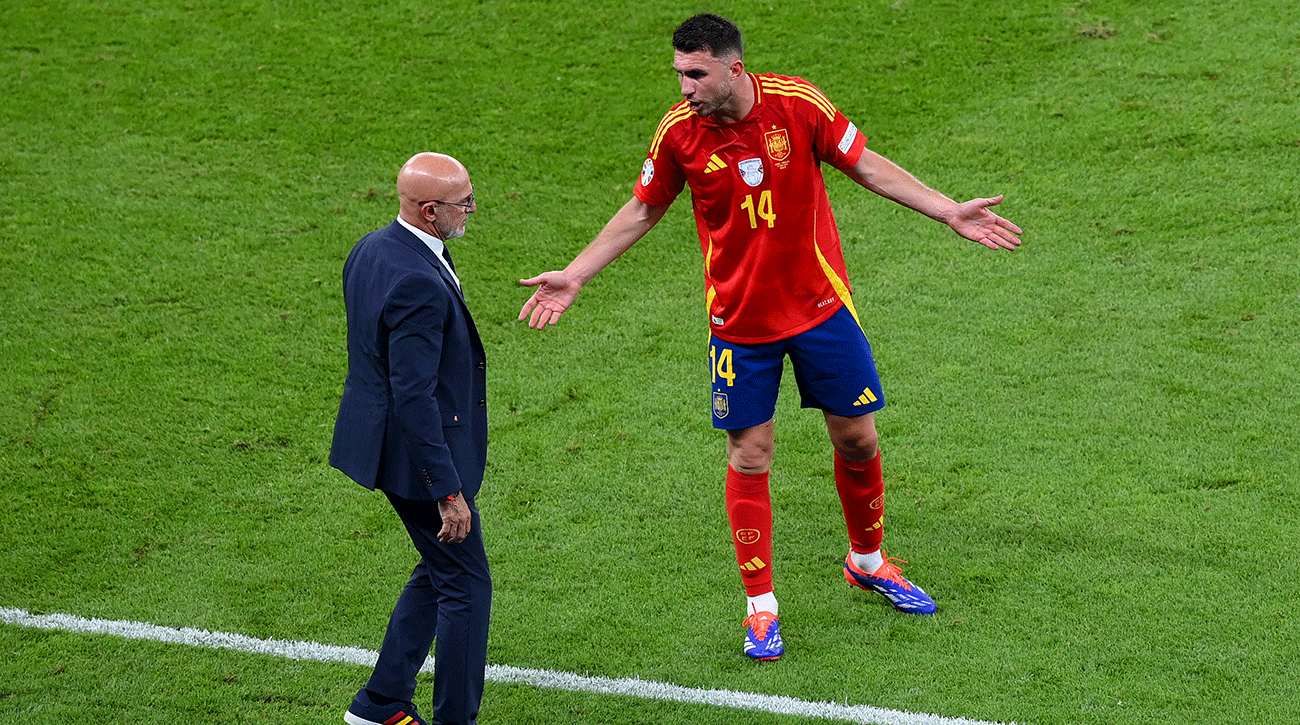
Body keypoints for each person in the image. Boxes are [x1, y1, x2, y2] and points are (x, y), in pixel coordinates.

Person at [518, 14, 1022, 661]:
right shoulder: (679, 134)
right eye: (678, 73)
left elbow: (867, 166)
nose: (685, 87)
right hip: (739, 324)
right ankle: (761, 606)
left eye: (695, 73)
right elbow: (644, 207)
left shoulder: (795, 104)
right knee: (750, 454)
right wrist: (577, 273)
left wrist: (948, 208)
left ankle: (867, 560)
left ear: (734, 68)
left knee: (858, 435)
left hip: (820, 308)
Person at [331, 152, 490, 723]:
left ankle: (380, 702)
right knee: (468, 588)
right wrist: (446, 491)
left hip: (384, 444)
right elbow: (413, 394)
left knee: (439, 567)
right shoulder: (419, 281)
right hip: (417, 460)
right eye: (462, 202)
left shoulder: (373, 249)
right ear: (429, 211)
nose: (472, 207)